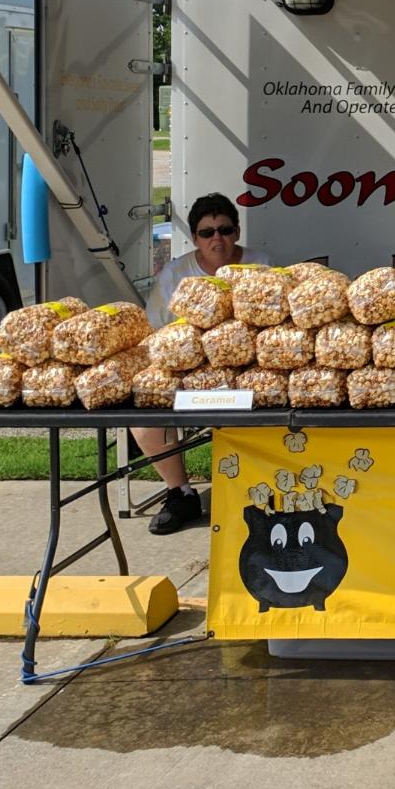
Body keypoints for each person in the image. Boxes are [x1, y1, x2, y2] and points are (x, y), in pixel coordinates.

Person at [136, 193, 270, 535]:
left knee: (272, 403)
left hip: (246, 369)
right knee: (145, 424)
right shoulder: (176, 273)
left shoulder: (259, 266)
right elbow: (154, 329)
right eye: (207, 232)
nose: (217, 239)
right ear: (194, 238)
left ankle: (261, 492)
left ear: (236, 232)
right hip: (187, 371)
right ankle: (180, 494)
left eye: (224, 230)